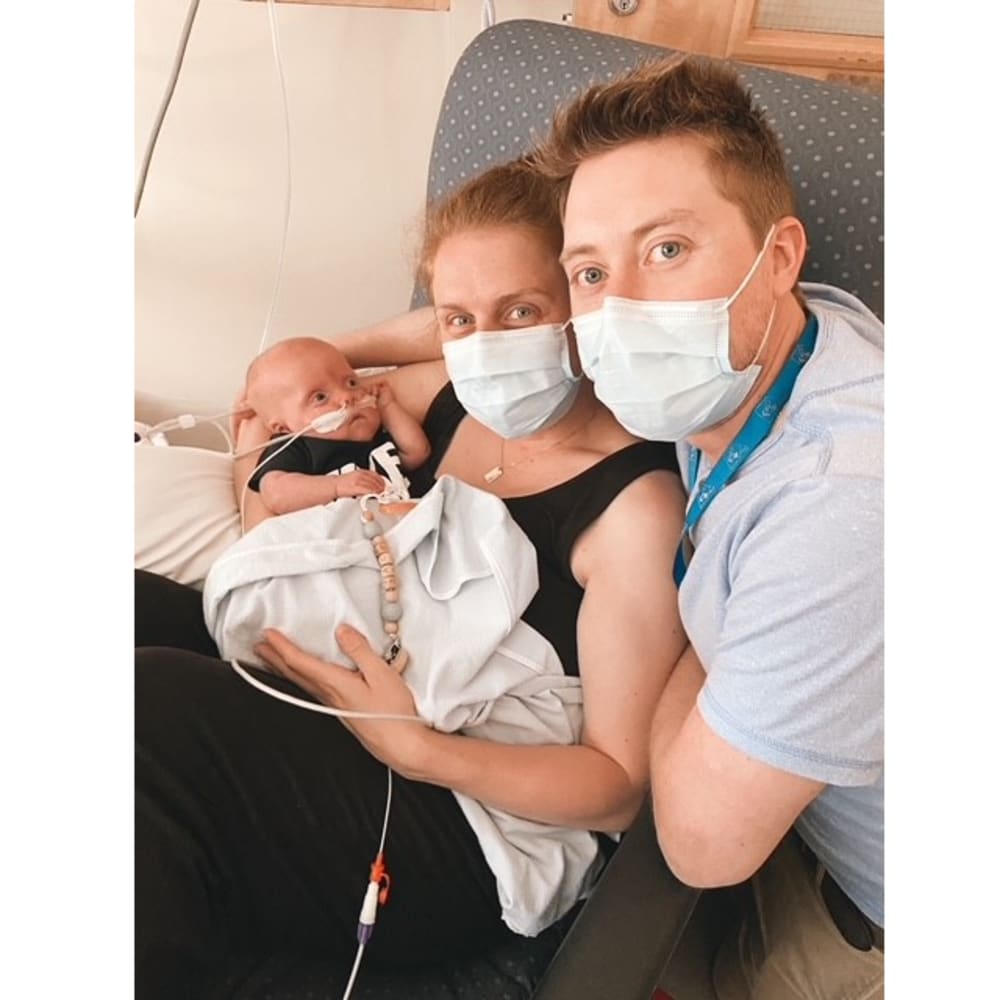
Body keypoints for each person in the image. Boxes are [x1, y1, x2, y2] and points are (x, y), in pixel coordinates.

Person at [135, 156, 687, 997]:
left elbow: (616, 792)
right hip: (339, 673)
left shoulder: (629, 510)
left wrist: (417, 748)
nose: (489, 346)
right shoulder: (449, 398)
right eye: (460, 317)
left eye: (523, 311)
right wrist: (297, 371)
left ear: (585, 298)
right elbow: (302, 525)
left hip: (460, 814)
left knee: (145, 712)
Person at [529, 56, 885, 998]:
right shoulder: (794, 343)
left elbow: (697, 844)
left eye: (668, 250)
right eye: (592, 272)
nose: (625, 310)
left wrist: (698, 623)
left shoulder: (843, 498)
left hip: (872, 913)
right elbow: (481, 320)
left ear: (779, 257)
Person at [239, 336, 430, 516]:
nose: (347, 397)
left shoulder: (377, 434)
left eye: (351, 382)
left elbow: (417, 452)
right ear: (284, 428)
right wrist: (335, 486)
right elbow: (275, 493)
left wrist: (388, 408)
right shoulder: (297, 446)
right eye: (320, 397)